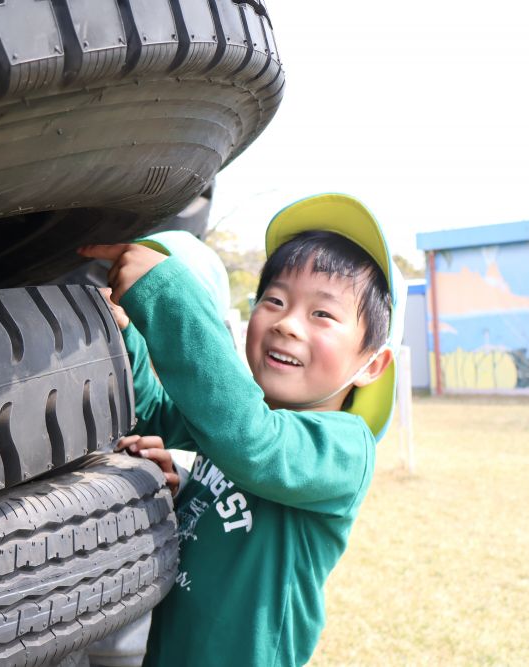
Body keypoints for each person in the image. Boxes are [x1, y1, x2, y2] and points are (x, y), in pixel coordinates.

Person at [78, 193, 405, 666]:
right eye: (274, 300)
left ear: (371, 365)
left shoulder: (343, 448)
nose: (287, 324)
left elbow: (253, 444)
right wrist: (127, 329)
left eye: (322, 314)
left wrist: (168, 292)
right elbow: (151, 411)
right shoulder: (232, 423)